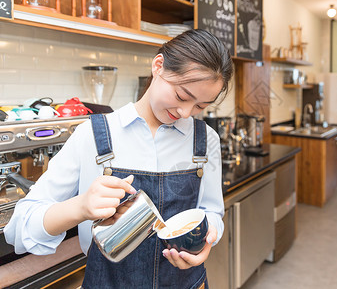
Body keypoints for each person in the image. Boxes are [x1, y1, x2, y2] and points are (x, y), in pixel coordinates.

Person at [5, 29, 234, 288]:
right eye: (182, 96)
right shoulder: (93, 134)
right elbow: (20, 228)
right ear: (158, 66)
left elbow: (211, 212)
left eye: (200, 106)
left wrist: (207, 238)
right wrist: (81, 207)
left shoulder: (205, 140)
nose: (185, 113)